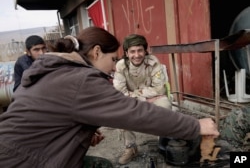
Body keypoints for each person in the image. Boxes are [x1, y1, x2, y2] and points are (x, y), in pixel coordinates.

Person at [0, 27, 219, 168]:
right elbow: (134, 112)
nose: (115, 67)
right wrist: (195, 125)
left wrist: (81, 130)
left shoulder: (55, 70)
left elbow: (45, 115)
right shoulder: (81, 79)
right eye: (113, 59)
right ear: (96, 52)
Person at [113, 34, 173, 164]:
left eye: (140, 50)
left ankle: (164, 143)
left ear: (145, 50)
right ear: (126, 53)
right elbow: (120, 93)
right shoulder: (121, 66)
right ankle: (131, 147)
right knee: (119, 110)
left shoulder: (153, 62)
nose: (137, 55)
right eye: (132, 51)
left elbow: (159, 89)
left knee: (165, 105)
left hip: (147, 97)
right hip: (136, 100)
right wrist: (144, 98)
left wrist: (134, 94)